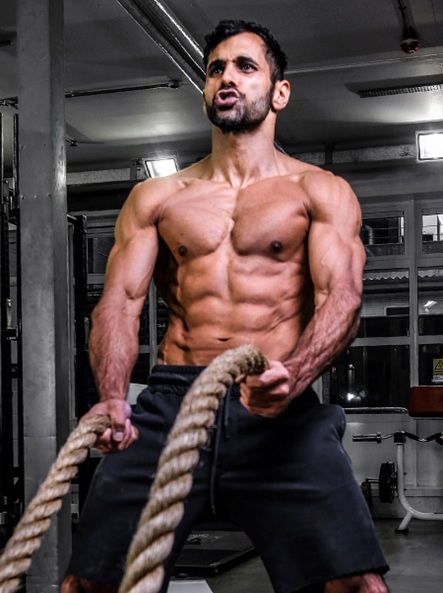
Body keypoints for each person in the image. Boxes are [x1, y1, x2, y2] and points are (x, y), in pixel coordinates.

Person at [62, 19, 389, 593]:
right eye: (215, 68)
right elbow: (119, 302)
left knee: (354, 584)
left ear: (279, 91)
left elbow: (344, 298)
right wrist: (112, 398)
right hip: (170, 404)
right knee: (90, 584)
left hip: (279, 402)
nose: (226, 77)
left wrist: (295, 374)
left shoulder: (319, 191)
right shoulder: (159, 198)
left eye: (244, 66)